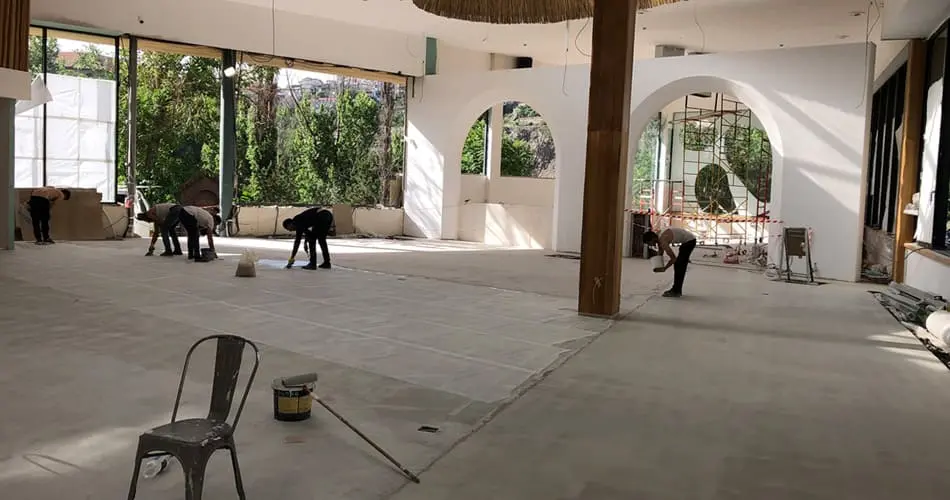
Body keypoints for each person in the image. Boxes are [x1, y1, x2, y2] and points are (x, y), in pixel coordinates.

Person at [643, 227, 697, 298]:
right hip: (687, 241)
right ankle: (676, 290)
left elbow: (673, 258)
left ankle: (676, 291)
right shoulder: (658, 236)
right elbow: (660, 252)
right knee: (680, 263)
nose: (650, 245)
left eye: (649, 243)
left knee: (679, 265)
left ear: (652, 239)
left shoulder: (663, 240)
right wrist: (658, 265)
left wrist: (665, 268)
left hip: (690, 241)